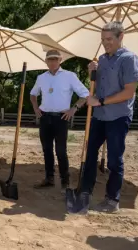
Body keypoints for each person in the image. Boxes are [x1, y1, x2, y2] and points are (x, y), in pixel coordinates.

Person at [74, 21, 138, 214]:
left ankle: (112, 200)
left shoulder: (130, 59)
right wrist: (92, 73)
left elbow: (129, 92)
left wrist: (101, 101)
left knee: (114, 160)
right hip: (99, 116)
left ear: (121, 36)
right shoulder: (102, 59)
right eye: (103, 40)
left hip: (118, 117)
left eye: (109, 39)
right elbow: (96, 89)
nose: (105, 43)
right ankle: (85, 192)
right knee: (90, 155)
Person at [30, 49, 89, 193]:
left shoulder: (70, 76)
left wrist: (74, 109)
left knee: (61, 151)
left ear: (60, 60)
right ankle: (49, 178)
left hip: (61, 118)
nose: (52, 62)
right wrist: (36, 109)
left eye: (55, 59)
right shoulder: (41, 77)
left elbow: (85, 95)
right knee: (47, 150)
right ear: (46, 61)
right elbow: (33, 94)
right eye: (50, 59)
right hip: (45, 117)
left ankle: (65, 182)